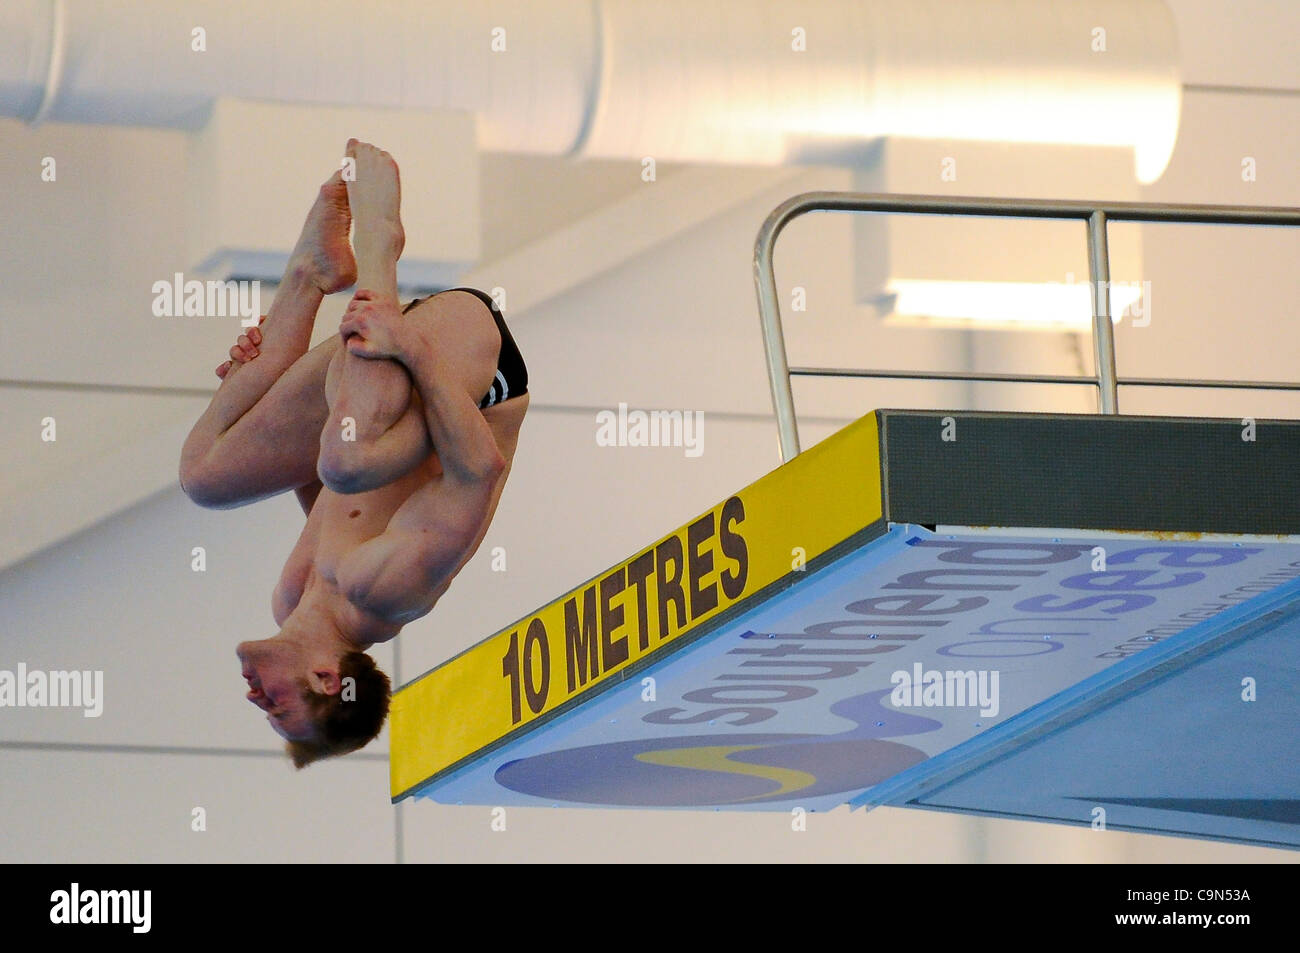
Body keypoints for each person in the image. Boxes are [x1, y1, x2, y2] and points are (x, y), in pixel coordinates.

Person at [179, 140, 529, 767]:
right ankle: (378, 251)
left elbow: (334, 499)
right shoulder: (390, 592)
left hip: (377, 395)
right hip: (472, 376)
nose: (256, 698)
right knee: (346, 458)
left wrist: (254, 405)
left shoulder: (291, 600)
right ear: (323, 679)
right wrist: (410, 348)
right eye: (277, 707)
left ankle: (311, 271)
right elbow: (479, 466)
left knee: (208, 475)